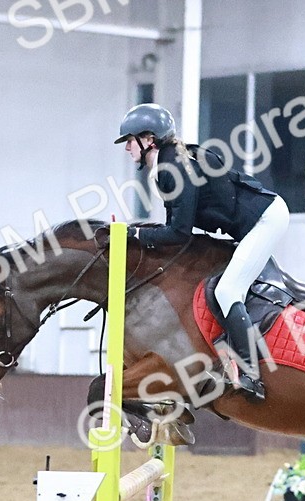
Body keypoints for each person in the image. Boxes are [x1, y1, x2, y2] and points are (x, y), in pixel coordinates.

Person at [115, 103, 288, 403]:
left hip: (265, 220)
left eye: (130, 140)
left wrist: (137, 234)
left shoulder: (173, 168)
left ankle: (252, 375)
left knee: (228, 291)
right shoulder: (170, 163)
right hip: (250, 222)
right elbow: (179, 230)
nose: (127, 147)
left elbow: (179, 233)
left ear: (149, 139)